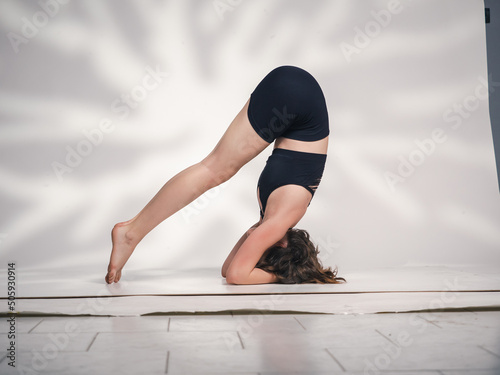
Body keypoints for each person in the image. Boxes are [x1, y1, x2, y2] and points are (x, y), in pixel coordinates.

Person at [105, 65, 346, 285]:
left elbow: (227, 268)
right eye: (261, 253)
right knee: (214, 170)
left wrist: (264, 253)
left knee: (215, 168)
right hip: (297, 97)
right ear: (282, 244)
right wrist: (281, 275)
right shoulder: (279, 221)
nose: (254, 244)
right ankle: (131, 233)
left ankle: (132, 231)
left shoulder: (272, 219)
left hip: (295, 89)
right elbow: (237, 275)